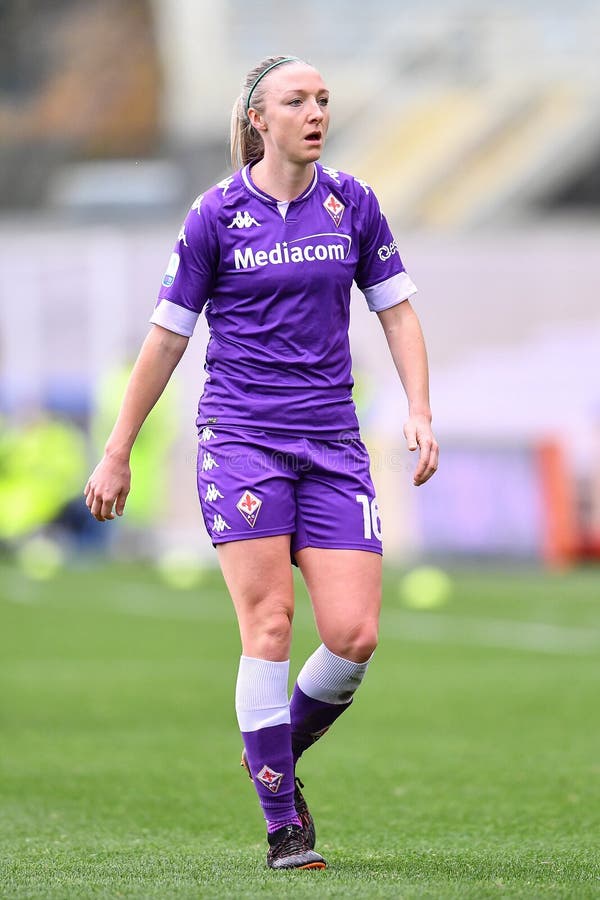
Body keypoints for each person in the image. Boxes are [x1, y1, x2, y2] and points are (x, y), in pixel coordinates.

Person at [84, 55, 439, 871]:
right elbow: (168, 338)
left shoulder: (355, 204)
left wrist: (418, 409)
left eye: (322, 99)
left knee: (353, 635)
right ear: (258, 119)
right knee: (271, 622)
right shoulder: (215, 214)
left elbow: (399, 313)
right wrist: (118, 448)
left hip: (334, 442)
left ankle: (269, 750)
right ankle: (284, 824)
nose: (315, 111)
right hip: (242, 440)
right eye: (296, 100)